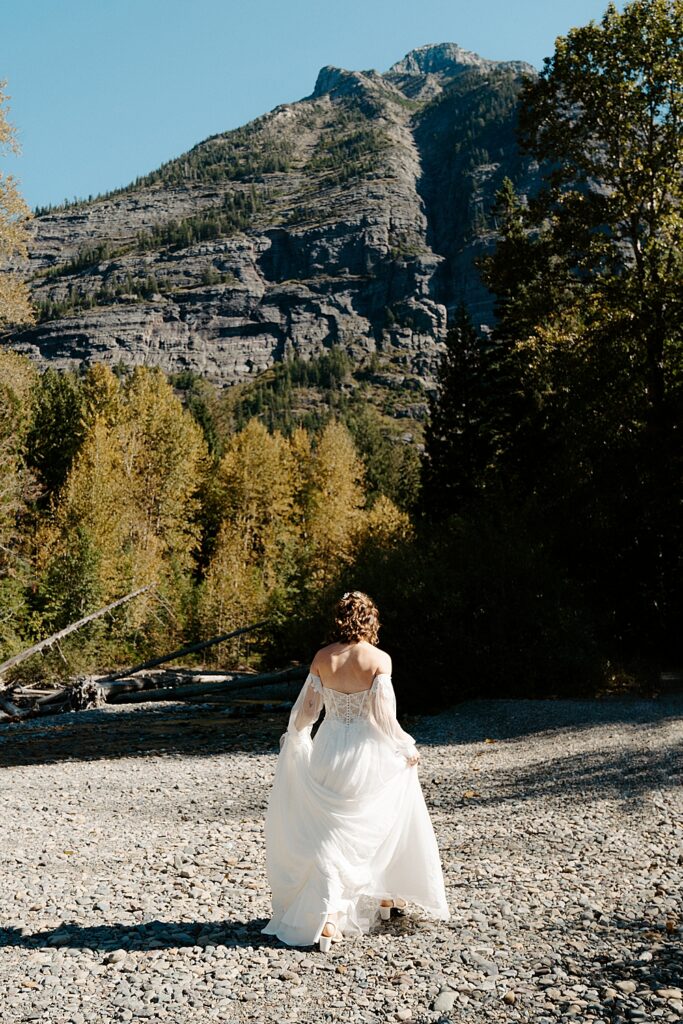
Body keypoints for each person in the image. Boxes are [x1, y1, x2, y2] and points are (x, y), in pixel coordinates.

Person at [261, 590, 449, 951]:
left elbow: (308, 712)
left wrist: (295, 736)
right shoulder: (379, 659)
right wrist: (404, 745)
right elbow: (384, 716)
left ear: (340, 618)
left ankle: (332, 911)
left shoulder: (322, 658)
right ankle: (360, 901)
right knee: (370, 827)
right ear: (370, 619)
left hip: (328, 747)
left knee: (329, 833)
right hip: (366, 749)